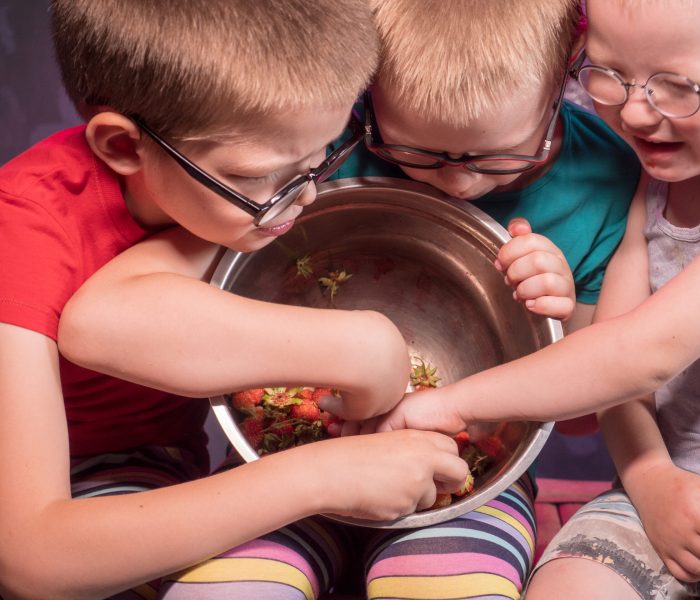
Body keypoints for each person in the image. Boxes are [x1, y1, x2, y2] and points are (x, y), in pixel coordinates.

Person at [53, 1, 638, 597]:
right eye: (414, 151)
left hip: (461, 483)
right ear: (365, 79)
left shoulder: (605, 180)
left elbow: (582, 417)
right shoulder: (311, 147)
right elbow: (118, 312)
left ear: (568, 67)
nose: (459, 181)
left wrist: (561, 308)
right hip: (283, 467)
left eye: (499, 155)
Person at [0, 1, 470, 598]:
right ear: (123, 146)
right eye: (257, 176)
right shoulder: (20, 238)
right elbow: (32, 559)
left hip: (156, 465)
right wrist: (320, 477)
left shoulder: (239, 171)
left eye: (324, 154)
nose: (304, 197)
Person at [373, 1, 700, 598]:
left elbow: (645, 354)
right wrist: (650, 478)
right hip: (660, 492)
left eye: (679, 87)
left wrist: (452, 404)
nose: (634, 112)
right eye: (609, 75)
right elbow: (610, 355)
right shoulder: (661, 172)